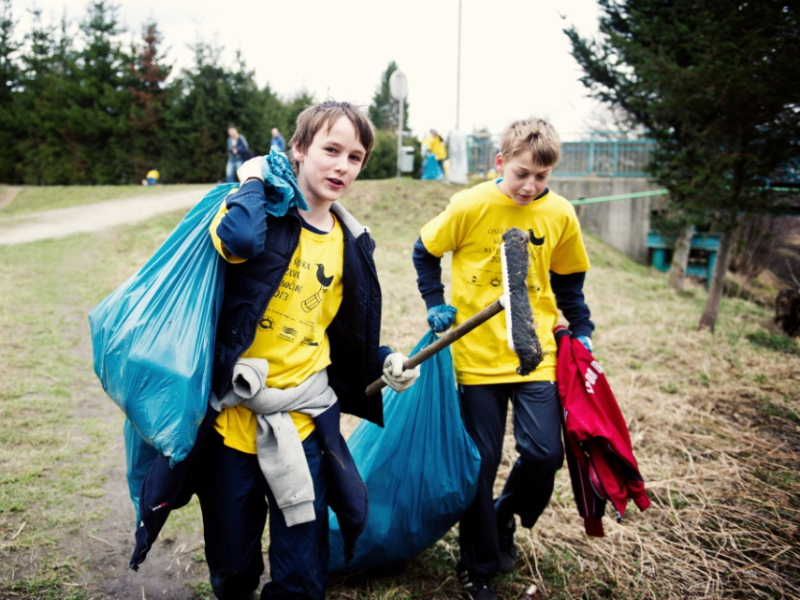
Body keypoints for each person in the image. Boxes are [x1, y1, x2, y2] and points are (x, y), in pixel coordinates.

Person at [199, 101, 419, 600]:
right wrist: (253, 178)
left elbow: (341, 333)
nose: (342, 166)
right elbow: (235, 240)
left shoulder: (351, 243)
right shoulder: (256, 217)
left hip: (304, 426)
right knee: (233, 565)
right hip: (234, 427)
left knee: (302, 572)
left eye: (355, 157)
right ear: (298, 149)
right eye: (331, 150)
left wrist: (384, 360)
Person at [412, 117, 595, 600]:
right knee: (480, 463)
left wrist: (584, 330)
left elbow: (569, 281)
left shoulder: (559, 213)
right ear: (501, 163)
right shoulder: (470, 205)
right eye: (521, 174)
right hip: (477, 358)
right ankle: (478, 566)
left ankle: (504, 515)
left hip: (537, 356)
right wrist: (435, 304)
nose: (530, 186)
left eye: (541, 177)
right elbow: (424, 251)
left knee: (544, 453)